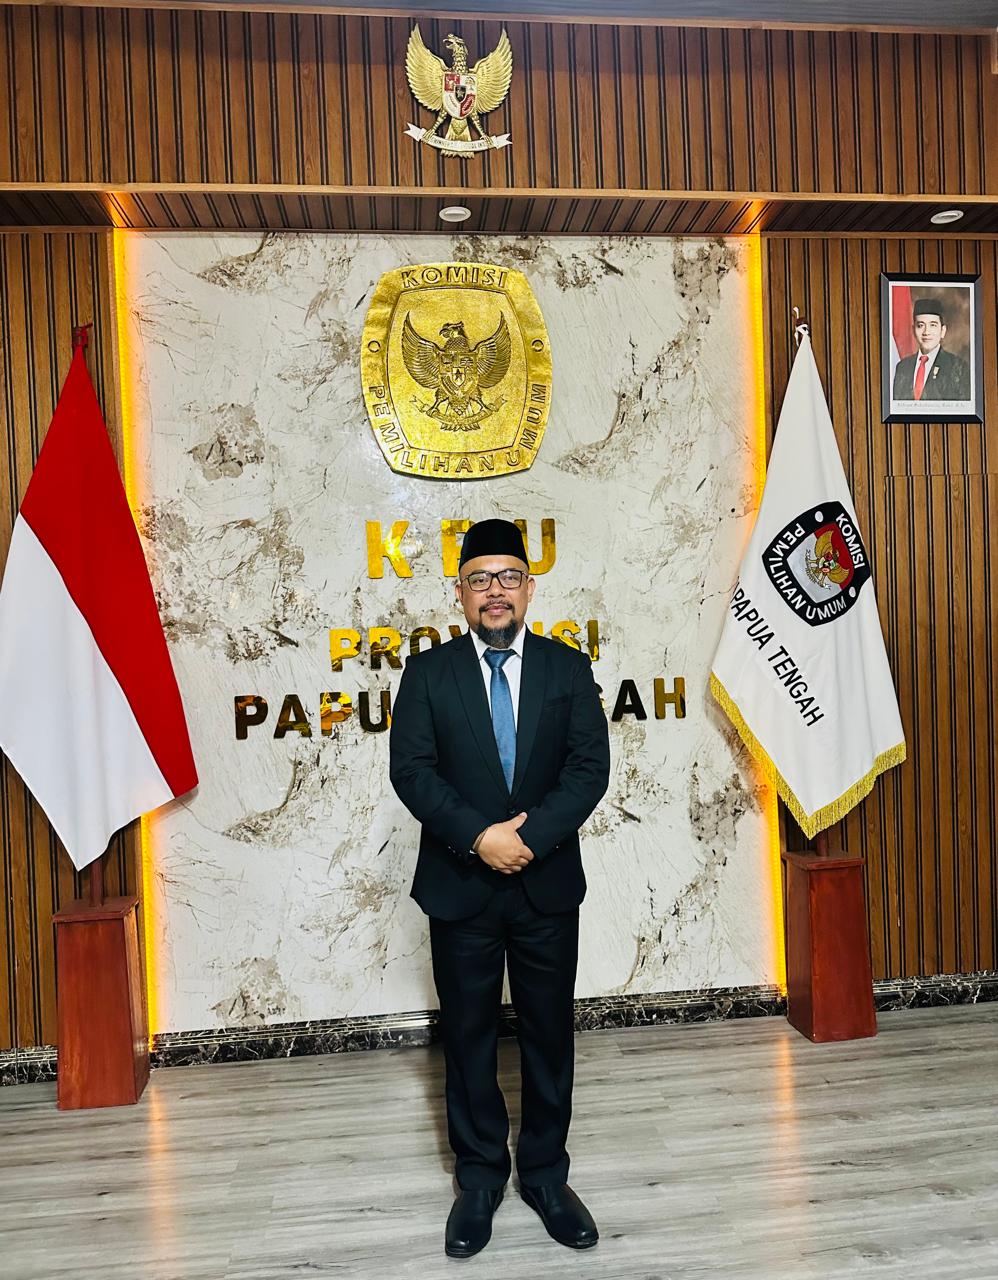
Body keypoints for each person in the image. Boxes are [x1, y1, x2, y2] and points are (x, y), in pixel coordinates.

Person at [389, 518, 610, 1259]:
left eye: (508, 577)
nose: (495, 591)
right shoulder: (428, 674)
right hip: (461, 883)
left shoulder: (567, 669)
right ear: (459, 593)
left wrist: (529, 838)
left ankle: (546, 1176)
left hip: (546, 884)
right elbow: (412, 771)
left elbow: (589, 767)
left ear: (529, 588)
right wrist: (481, 837)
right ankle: (480, 1179)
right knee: (469, 1035)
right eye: (479, 579)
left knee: (549, 1034)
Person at [892, 296, 971, 401]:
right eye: (920, 325)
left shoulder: (958, 367)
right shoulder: (902, 367)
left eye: (933, 325)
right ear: (913, 330)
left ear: (942, 331)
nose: (926, 332)